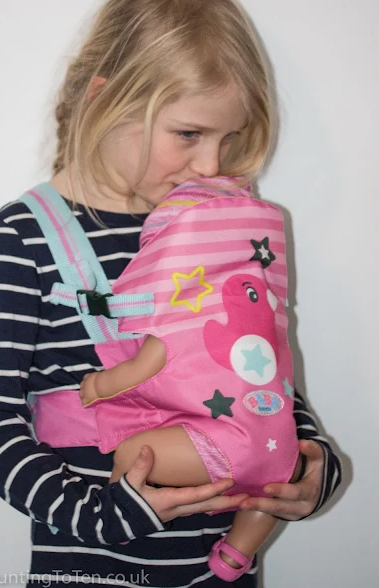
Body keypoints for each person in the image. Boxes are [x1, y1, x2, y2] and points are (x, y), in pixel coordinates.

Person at [0, 0, 342, 587]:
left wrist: (309, 467)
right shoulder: (24, 235)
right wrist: (96, 513)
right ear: (104, 98)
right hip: (95, 571)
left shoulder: (218, 227)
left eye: (229, 138)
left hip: (224, 574)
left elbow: (254, 372)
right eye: (188, 134)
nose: (212, 163)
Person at [77, 176, 303, 581]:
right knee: (268, 492)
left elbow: (134, 373)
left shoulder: (179, 326)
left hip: (220, 448)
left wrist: (96, 387)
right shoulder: (265, 325)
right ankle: (237, 554)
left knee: (133, 453)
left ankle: (122, 514)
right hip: (279, 445)